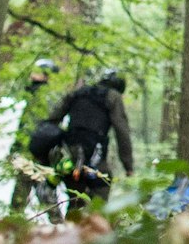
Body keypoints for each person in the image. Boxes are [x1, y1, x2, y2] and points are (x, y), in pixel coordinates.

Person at [48, 69, 133, 212]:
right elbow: (122, 132)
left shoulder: (79, 92)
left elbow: (53, 119)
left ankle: (69, 231)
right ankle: (96, 229)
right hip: (96, 156)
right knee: (100, 197)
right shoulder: (113, 97)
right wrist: (128, 165)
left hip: (70, 154)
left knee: (75, 201)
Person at [10, 58, 61, 214]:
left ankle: (63, 232)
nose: (32, 75)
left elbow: (39, 128)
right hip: (29, 153)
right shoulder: (34, 94)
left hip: (38, 154)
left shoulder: (45, 96)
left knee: (44, 196)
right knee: (20, 198)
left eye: (37, 72)